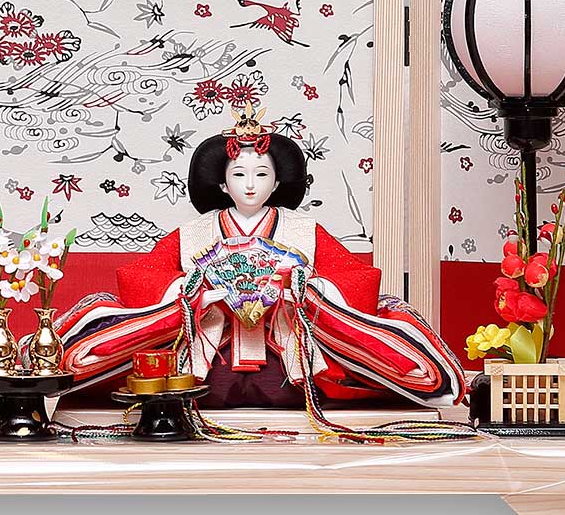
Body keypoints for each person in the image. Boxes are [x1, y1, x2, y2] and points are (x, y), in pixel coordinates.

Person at [56, 104, 465, 408]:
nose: (250, 185)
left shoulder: (304, 230)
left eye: (261, 174)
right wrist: (198, 292)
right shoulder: (194, 232)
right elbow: (140, 278)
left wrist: (300, 289)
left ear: (278, 181)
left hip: (285, 357)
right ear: (221, 183)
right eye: (238, 175)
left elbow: (356, 280)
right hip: (210, 356)